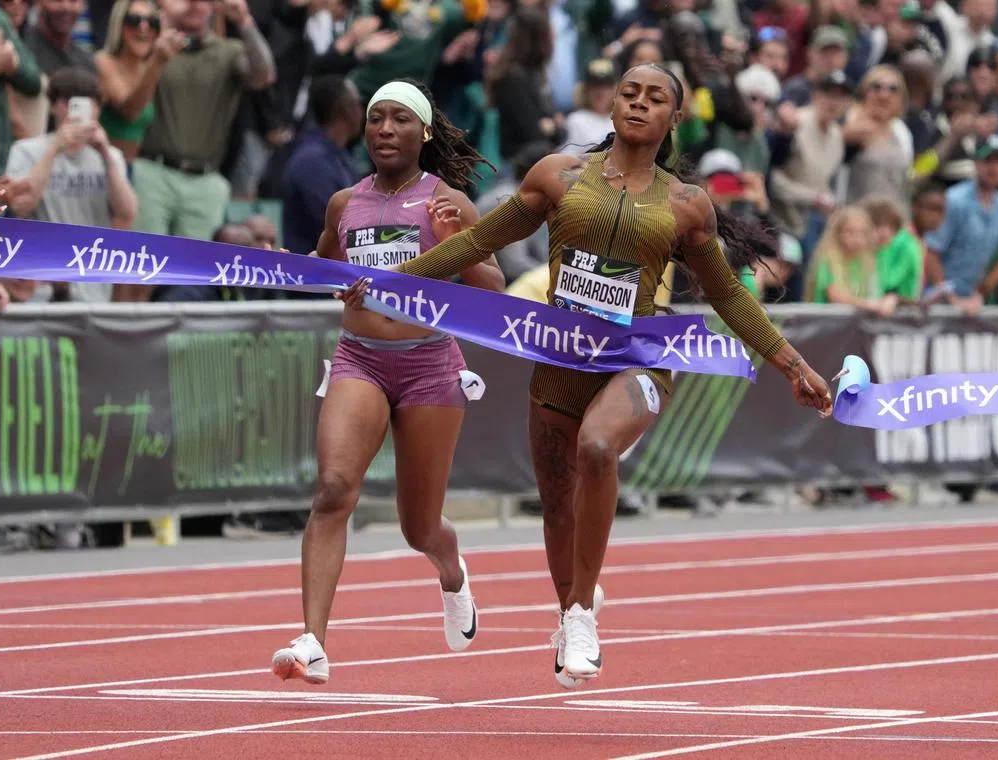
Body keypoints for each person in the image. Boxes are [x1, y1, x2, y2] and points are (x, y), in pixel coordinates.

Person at [354, 63, 833, 687]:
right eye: (629, 93)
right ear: (611, 105)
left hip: (637, 357)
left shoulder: (687, 205)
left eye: (654, 98)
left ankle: (581, 615)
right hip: (560, 357)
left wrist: (792, 365)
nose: (638, 103)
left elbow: (729, 297)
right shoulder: (557, 176)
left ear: (673, 119)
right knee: (557, 504)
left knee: (598, 448)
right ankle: (569, 609)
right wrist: (398, 280)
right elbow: (478, 243)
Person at [270, 80, 505, 685]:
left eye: (400, 118)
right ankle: (314, 640)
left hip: (430, 363)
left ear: (423, 132)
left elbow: (493, 291)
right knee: (332, 490)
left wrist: (455, 243)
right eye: (376, 118)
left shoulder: (448, 200)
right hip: (360, 358)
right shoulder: (344, 202)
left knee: (417, 526)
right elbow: (325, 265)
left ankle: (452, 576)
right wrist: (299, 269)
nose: (383, 129)